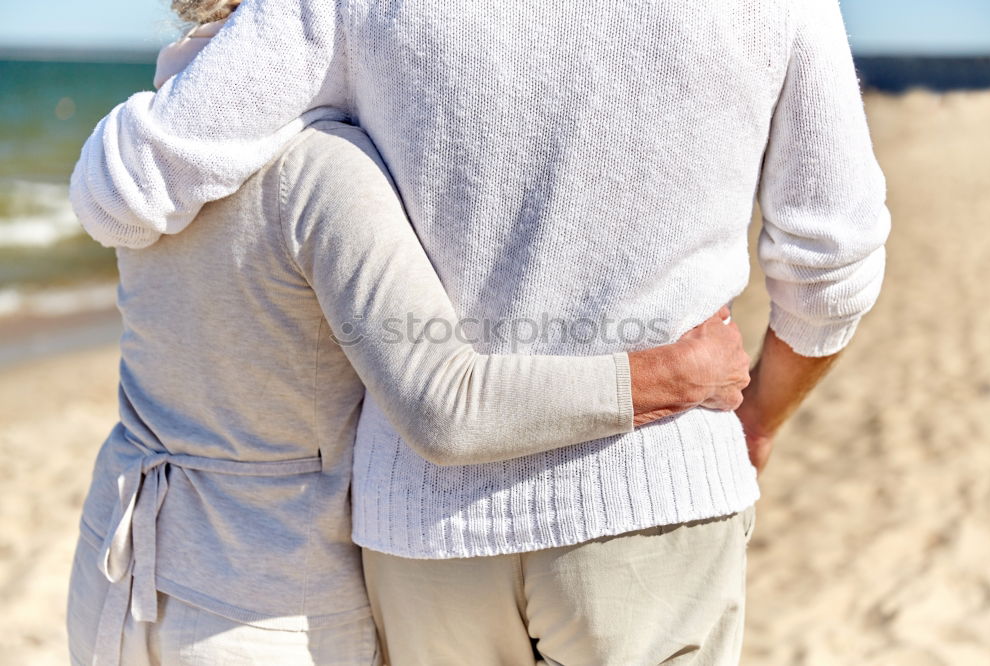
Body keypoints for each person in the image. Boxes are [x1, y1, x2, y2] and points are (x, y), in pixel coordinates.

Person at [70, 0, 890, 662]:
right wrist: (760, 420)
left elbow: (136, 185)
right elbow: (832, 261)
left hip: (428, 529)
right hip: (658, 489)